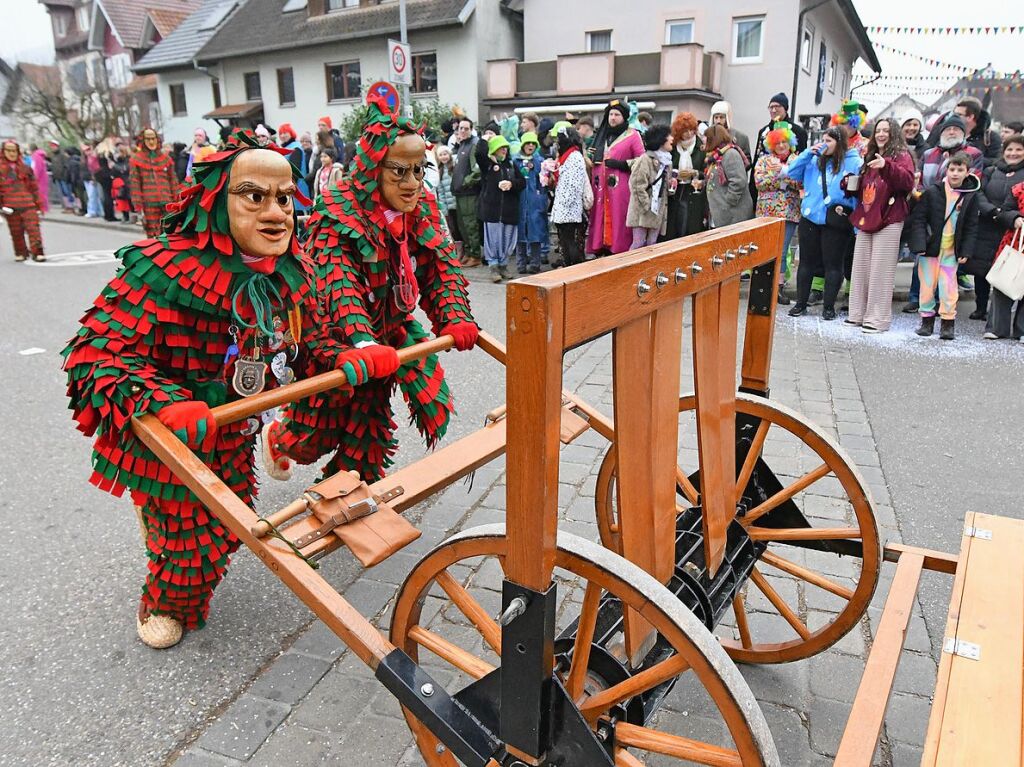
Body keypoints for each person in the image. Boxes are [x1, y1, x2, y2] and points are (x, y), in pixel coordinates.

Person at [63, 131, 313, 648]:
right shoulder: (161, 268)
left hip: (232, 428)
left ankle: (165, 534)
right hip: (165, 437)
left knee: (229, 523)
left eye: (284, 198)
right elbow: (95, 355)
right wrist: (166, 402)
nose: (275, 213)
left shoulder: (290, 271)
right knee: (188, 546)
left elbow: (307, 344)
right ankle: (160, 598)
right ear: (216, 201)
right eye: (255, 196)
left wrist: (351, 351)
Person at [263, 92, 477, 484]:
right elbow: (337, 282)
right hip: (335, 340)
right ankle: (278, 437)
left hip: (389, 333)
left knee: (371, 429)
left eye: (419, 169)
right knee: (314, 433)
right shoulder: (338, 211)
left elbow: (439, 265)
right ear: (375, 168)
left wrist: (456, 317)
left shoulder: (421, 205)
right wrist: (362, 342)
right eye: (400, 172)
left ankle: (348, 490)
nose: (413, 183)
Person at [901, 114, 985, 313]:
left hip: (955, 212)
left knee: (947, 266)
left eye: (956, 129)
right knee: (923, 258)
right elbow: (919, 179)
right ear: (941, 132)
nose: (952, 132)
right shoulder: (930, 153)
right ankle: (917, 299)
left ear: (963, 133)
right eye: (948, 129)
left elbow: (975, 180)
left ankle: (944, 309)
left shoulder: (973, 153)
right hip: (928, 208)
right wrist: (920, 196)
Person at [845, 118, 916, 333]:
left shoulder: (901, 156)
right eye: (878, 131)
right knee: (861, 268)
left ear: (894, 133)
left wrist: (887, 167)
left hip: (890, 217)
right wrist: (850, 184)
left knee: (880, 271)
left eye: (886, 130)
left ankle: (877, 319)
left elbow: (907, 181)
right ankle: (857, 314)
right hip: (868, 216)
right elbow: (867, 188)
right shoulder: (870, 156)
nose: (881, 134)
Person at [784, 126, 862, 320]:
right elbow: (792, 173)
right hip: (810, 217)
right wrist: (805, 154)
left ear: (840, 143)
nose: (824, 144)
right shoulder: (813, 159)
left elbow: (859, 191)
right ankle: (801, 304)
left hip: (836, 220)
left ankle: (828, 307)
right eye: (823, 140)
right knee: (806, 263)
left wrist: (855, 223)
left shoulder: (854, 162)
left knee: (833, 265)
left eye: (829, 141)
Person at [908, 152, 980, 340]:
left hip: (951, 250)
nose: (955, 173)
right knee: (927, 285)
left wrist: (966, 250)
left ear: (967, 172)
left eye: (960, 170)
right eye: (952, 169)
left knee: (948, 287)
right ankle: (926, 321)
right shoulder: (933, 191)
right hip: (931, 248)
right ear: (946, 170)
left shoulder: (970, 196)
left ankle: (948, 323)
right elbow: (919, 220)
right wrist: (919, 244)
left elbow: (972, 225)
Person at [967, 134, 1024, 323]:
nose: (1013, 153)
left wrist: (1009, 216)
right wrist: (993, 211)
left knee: (1008, 269)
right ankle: (981, 307)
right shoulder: (991, 170)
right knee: (982, 268)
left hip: (1012, 229)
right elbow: (978, 193)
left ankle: (1004, 316)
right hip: (988, 222)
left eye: (1018, 149)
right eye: (1009, 149)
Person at [587, 98, 645, 256]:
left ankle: (618, 250)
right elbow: (592, 156)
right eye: (611, 114)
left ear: (624, 117)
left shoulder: (633, 135)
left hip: (621, 187)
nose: (612, 118)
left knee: (619, 217)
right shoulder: (601, 135)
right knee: (599, 216)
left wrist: (621, 164)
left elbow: (643, 160)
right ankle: (600, 247)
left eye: (617, 115)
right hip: (600, 186)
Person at [754, 122, 802, 305]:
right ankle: (763, 286)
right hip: (767, 212)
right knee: (765, 250)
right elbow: (760, 181)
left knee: (782, 251)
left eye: (784, 142)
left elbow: (801, 182)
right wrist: (782, 180)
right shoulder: (764, 161)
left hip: (789, 213)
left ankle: (778, 288)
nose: (781, 146)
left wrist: (784, 174)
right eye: (777, 143)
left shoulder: (797, 160)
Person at [479, 134, 525, 282]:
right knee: (493, 240)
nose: (504, 150)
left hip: (509, 211)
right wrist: (485, 139)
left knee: (507, 240)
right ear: (494, 149)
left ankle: (503, 266)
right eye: (500, 147)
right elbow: (479, 153)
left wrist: (511, 184)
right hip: (492, 211)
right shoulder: (488, 165)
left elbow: (522, 183)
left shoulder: (511, 165)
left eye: (505, 147)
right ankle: (493, 267)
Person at [750, 92, 808, 203]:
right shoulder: (764, 132)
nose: (773, 110)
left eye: (777, 106)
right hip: (766, 201)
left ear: (785, 108)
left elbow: (801, 167)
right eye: (771, 107)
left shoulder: (798, 132)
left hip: (790, 203)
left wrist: (783, 173)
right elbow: (757, 162)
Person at [984, 179, 1024, 341]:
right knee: (1003, 284)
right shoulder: (1018, 189)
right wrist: (1014, 218)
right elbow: (1004, 212)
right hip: (1015, 242)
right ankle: (996, 328)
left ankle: (1022, 330)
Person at [625, 124, 673, 248]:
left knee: (652, 244)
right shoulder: (645, 159)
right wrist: (647, 206)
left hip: (657, 210)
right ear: (661, 139)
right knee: (638, 244)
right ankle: (632, 267)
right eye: (669, 136)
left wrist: (671, 186)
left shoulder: (667, 162)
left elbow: (664, 189)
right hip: (644, 210)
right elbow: (636, 185)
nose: (672, 139)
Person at [548, 125, 589, 267]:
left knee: (570, 241)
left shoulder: (575, 156)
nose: (557, 143)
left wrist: (565, 203)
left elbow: (575, 184)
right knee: (565, 241)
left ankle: (573, 269)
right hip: (563, 207)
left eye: (558, 139)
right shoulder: (567, 156)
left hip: (569, 208)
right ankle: (567, 266)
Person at [663, 112, 707, 240]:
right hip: (674, 191)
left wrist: (695, 173)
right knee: (674, 226)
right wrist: (676, 174)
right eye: (685, 131)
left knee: (689, 226)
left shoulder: (702, 147)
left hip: (693, 191)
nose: (689, 134)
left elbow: (707, 173)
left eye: (691, 130)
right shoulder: (671, 148)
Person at [1, 139, 46, 261]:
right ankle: (20, 252)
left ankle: (37, 252)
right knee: (16, 231)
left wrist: (38, 204)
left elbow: (34, 187)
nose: (11, 153)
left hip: (28, 203)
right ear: (3, 152)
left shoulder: (25, 168)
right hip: (10, 204)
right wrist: (1, 206)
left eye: (14, 151)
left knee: (33, 229)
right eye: (8, 151)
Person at [129, 128, 180, 237]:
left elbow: (173, 180)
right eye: (148, 139)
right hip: (149, 203)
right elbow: (135, 184)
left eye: (153, 138)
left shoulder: (166, 159)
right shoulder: (137, 159)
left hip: (167, 201)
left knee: (171, 234)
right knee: (153, 236)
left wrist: (177, 200)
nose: (151, 142)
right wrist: (138, 206)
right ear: (143, 140)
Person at [703, 124, 754, 230]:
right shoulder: (716, 157)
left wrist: (728, 203)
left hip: (733, 216)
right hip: (723, 215)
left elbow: (738, 181)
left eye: (707, 138)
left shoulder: (730, 154)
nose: (704, 141)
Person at [513, 131, 548, 273]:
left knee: (536, 233)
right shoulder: (515, 161)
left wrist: (541, 198)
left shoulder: (540, 161)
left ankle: (535, 263)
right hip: (520, 202)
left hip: (535, 202)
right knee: (520, 234)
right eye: (527, 143)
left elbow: (544, 182)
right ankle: (520, 264)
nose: (530, 146)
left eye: (533, 143)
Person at [450, 117, 482, 267]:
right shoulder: (462, 145)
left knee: (470, 224)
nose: (462, 131)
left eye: (465, 128)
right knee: (463, 225)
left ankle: (475, 255)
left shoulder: (473, 144)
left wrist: (464, 183)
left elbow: (477, 170)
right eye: (460, 128)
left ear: (471, 130)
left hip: (469, 193)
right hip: (460, 193)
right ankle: (469, 253)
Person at [953, 97, 1001, 165]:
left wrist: (972, 157)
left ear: (970, 117)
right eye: (953, 114)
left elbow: (997, 161)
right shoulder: (950, 133)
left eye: (959, 115)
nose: (953, 117)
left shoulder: (989, 137)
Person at [433, 144, 459, 243]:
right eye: (441, 155)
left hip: (457, 202)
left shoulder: (454, 167)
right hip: (449, 205)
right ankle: (459, 248)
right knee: (454, 228)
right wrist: (444, 209)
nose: (444, 156)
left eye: (445, 154)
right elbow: (441, 192)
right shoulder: (440, 171)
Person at [29, 144, 50, 214]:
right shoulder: (39, 156)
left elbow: (36, 168)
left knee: (40, 193)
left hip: (39, 178)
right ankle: (43, 207)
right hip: (43, 177)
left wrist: (34, 177)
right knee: (42, 192)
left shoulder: (36, 156)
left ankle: (42, 208)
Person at [95, 155, 116, 222]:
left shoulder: (98, 155)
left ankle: (107, 214)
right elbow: (111, 164)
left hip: (101, 174)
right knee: (108, 196)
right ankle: (110, 215)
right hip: (107, 174)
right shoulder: (107, 155)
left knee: (105, 195)